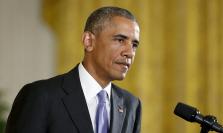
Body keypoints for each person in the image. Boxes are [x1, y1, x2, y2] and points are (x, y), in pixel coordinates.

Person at [6, 6, 141, 133]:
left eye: (134, 44)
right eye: (120, 40)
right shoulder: (40, 96)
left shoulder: (131, 105)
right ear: (88, 41)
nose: (130, 52)